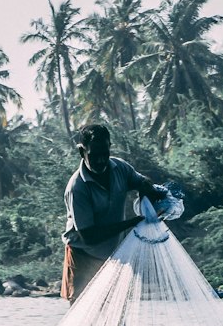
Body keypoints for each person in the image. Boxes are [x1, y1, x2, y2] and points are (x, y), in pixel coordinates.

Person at [61, 123, 163, 302]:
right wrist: (134, 222)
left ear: (109, 148)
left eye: (104, 154)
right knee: (83, 314)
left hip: (113, 256)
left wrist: (147, 190)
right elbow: (89, 236)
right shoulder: (77, 188)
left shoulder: (119, 168)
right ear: (81, 152)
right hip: (83, 256)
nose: (101, 161)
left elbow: (141, 181)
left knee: (115, 311)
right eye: (94, 156)